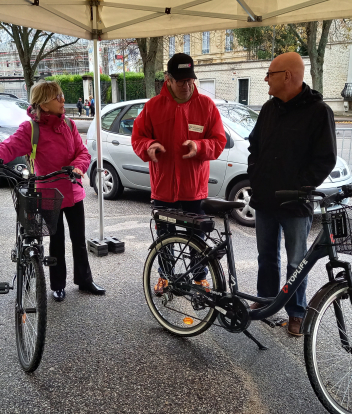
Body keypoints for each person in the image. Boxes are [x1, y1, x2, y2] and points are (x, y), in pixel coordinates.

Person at [0, 81, 105, 301]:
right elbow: (7, 146)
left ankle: (84, 280)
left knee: (79, 239)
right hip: (48, 193)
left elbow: (82, 152)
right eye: (57, 97)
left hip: (73, 190)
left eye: (61, 95)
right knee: (56, 240)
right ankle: (57, 285)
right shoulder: (31, 129)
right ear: (43, 103)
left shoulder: (69, 125)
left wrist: (79, 167)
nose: (63, 100)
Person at [247, 52, 336, 337]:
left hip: (296, 204)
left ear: (287, 76)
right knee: (266, 257)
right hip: (265, 200)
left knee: (297, 262)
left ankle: (296, 313)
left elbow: (326, 159)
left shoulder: (319, 112)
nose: (266, 79)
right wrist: (256, 178)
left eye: (270, 73)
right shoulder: (269, 109)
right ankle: (266, 302)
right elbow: (254, 147)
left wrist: (301, 188)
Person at [132, 53, 227, 294]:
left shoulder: (206, 106)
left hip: (193, 188)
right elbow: (138, 138)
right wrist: (149, 147)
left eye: (190, 81)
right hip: (163, 188)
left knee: (197, 237)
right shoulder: (153, 107)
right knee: (164, 236)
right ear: (169, 79)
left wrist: (200, 147)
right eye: (181, 81)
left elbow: (219, 141)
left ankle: (199, 277)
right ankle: (165, 275)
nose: (187, 86)